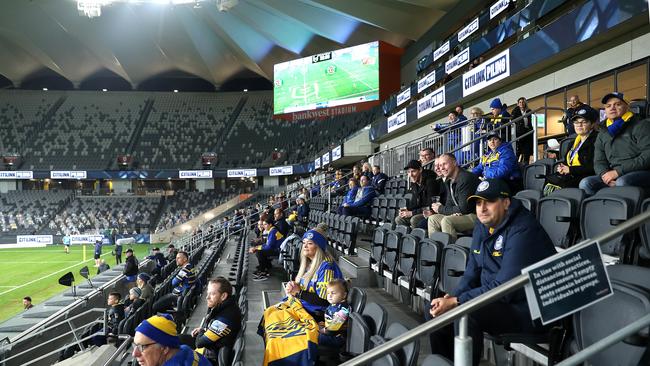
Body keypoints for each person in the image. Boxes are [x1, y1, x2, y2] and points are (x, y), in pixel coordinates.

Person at [427, 179, 556, 365]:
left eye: (489, 201)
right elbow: (472, 271)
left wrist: (457, 301)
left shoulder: (524, 229)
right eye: (478, 203)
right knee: (434, 310)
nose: (482, 208)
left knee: (467, 312)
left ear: (506, 202)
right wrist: (452, 296)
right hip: (498, 300)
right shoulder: (482, 225)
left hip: (529, 309)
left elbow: (505, 288)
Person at [579, 92, 650, 194]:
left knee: (622, 182)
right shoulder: (603, 131)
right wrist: (605, 176)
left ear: (627, 106)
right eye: (608, 106)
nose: (612, 108)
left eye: (617, 104)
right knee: (586, 183)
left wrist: (618, 172)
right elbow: (599, 161)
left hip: (641, 171)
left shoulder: (641, 125)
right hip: (613, 174)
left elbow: (647, 155)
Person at [284, 228, 344, 319]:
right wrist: (293, 286)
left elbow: (325, 300)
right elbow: (304, 287)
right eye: (304, 243)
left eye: (310, 243)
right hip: (303, 307)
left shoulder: (327, 267)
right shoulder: (308, 263)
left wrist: (298, 292)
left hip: (316, 314)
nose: (305, 246)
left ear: (319, 247)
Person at [544, 105, 599, 195]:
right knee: (549, 184)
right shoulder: (572, 143)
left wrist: (570, 170)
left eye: (584, 122)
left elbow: (594, 166)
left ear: (592, 124)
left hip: (585, 177)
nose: (579, 125)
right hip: (572, 176)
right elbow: (567, 162)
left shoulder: (597, 140)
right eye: (576, 122)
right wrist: (562, 168)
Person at [427, 154, 480, 241]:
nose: (442, 168)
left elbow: (464, 209)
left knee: (447, 221)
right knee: (433, 219)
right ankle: (437, 249)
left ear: (455, 163)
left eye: (445, 164)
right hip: (461, 214)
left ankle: (450, 252)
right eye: (440, 165)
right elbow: (449, 204)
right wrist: (452, 212)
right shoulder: (449, 180)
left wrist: (440, 209)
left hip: (476, 215)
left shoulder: (465, 178)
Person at [192, 277, 242, 363]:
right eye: (208, 293)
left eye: (212, 294)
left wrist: (202, 330)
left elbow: (199, 343)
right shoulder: (223, 307)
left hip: (209, 358)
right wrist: (203, 329)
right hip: (210, 349)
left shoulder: (225, 319)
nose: (207, 297)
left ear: (223, 296)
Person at [132, 314, 211, 366]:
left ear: (165, 348)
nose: (134, 354)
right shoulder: (184, 349)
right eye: (135, 345)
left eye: (142, 346)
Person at [396, 160, 440, 229]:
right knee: (399, 219)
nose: (410, 175)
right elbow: (414, 202)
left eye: (413, 171)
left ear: (420, 170)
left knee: (414, 220)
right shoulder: (414, 183)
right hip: (420, 211)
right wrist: (406, 209)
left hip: (430, 212)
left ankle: (419, 238)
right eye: (408, 172)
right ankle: (408, 238)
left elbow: (430, 206)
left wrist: (412, 213)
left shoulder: (430, 182)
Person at [317, 279, 351, 348]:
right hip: (329, 331)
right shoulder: (334, 304)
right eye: (328, 293)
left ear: (344, 295)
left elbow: (332, 329)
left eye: (333, 293)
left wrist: (322, 330)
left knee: (312, 336)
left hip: (337, 337)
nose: (329, 296)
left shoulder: (343, 310)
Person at [511, 97, 533, 164]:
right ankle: (515, 164)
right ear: (517, 103)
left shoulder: (528, 111)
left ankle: (526, 164)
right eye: (520, 102)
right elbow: (513, 118)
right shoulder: (516, 111)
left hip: (527, 132)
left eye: (523, 102)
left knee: (527, 150)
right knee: (518, 150)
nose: (521, 104)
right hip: (520, 133)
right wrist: (516, 108)